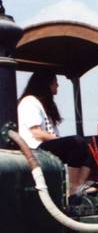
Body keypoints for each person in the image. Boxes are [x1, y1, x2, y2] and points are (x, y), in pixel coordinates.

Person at [17, 70, 92, 198]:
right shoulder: (29, 101)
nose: (57, 86)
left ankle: (79, 185)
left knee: (90, 147)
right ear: (46, 84)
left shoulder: (44, 105)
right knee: (77, 142)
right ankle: (72, 187)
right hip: (35, 149)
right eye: (55, 83)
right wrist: (61, 140)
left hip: (45, 147)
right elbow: (36, 133)